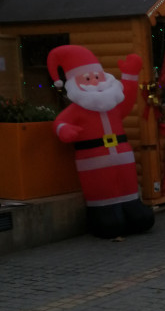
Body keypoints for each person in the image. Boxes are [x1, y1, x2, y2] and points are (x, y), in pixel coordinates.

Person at [47, 43, 155, 238]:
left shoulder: (113, 104)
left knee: (129, 189)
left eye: (97, 77)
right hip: (93, 160)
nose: (95, 82)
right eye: (87, 79)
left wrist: (130, 75)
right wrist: (64, 129)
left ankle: (133, 206)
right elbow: (60, 121)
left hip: (122, 156)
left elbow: (128, 99)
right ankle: (104, 213)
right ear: (73, 84)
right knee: (104, 194)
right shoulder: (77, 109)